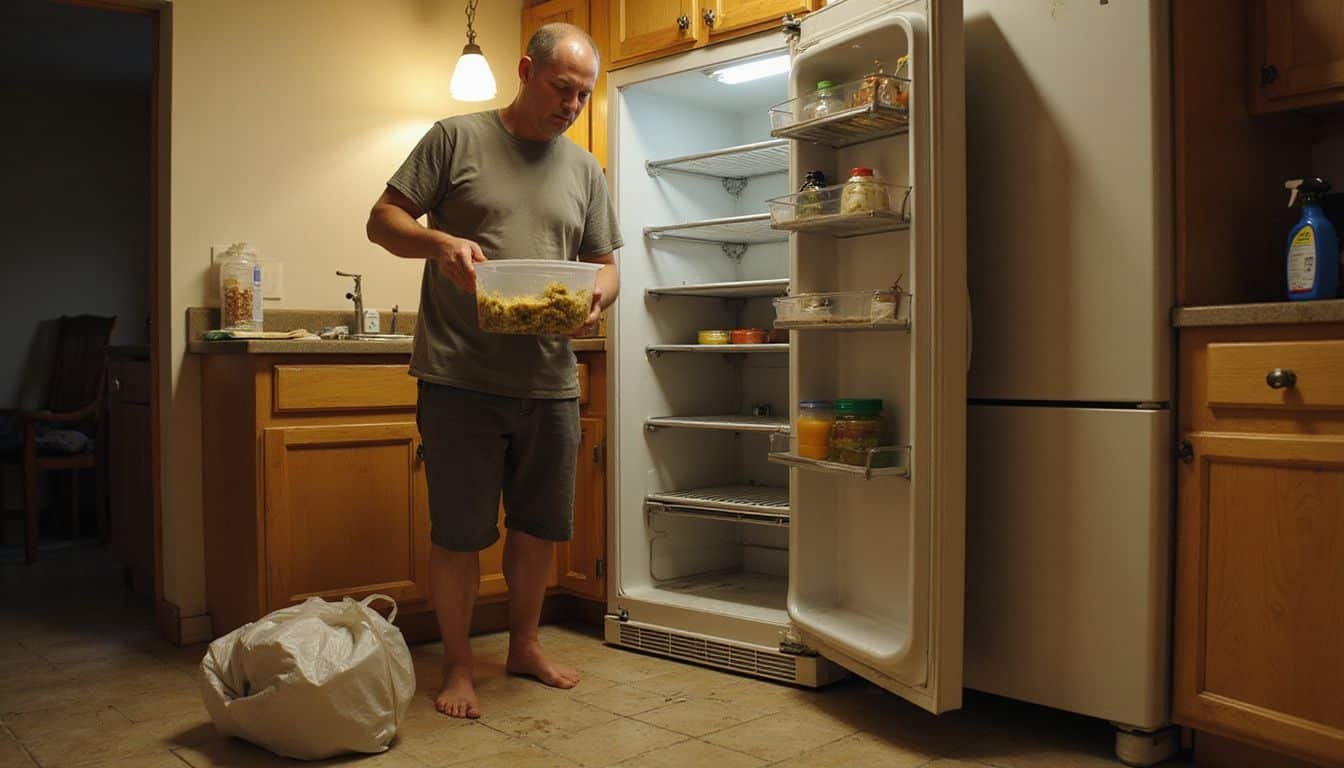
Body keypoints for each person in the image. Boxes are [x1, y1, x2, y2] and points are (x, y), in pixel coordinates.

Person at [365, 22, 619, 720]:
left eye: (583, 94)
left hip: (550, 380)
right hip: (459, 377)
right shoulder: (456, 138)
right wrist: (437, 242)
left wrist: (596, 302)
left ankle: (525, 646)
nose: (572, 105)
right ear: (525, 71)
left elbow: (606, 266)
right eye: (563, 88)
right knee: (460, 532)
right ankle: (456, 665)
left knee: (539, 526)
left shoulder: (585, 169)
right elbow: (382, 220)